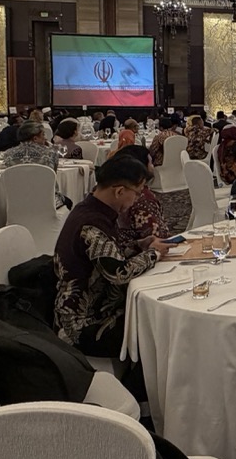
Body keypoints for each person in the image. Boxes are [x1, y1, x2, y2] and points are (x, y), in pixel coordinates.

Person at [53, 154, 163, 356]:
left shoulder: (89, 208)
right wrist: (154, 254)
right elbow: (118, 273)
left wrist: (139, 245)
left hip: (87, 308)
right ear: (120, 191)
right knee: (160, 329)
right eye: (137, 193)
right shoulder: (92, 224)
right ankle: (140, 384)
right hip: (85, 323)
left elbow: (110, 250)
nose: (138, 199)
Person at [112, 145, 167, 244]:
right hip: (144, 252)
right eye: (150, 163)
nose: (152, 166)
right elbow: (157, 238)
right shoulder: (143, 200)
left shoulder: (112, 190)